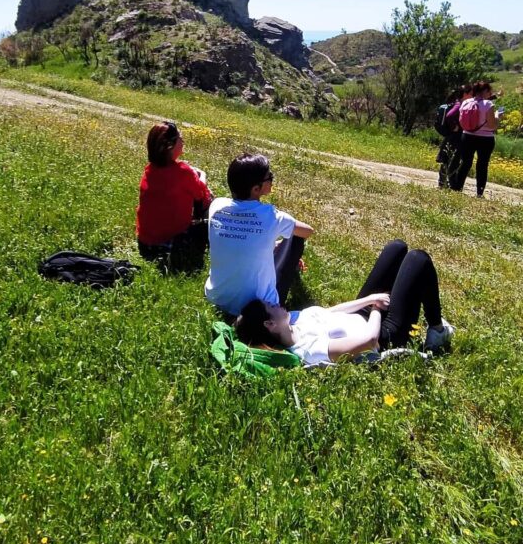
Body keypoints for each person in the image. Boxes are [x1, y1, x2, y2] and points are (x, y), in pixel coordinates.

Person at [234, 240, 454, 366]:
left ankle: (397, 296)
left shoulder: (292, 320)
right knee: (418, 259)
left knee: (396, 248)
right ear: (269, 324)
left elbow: (329, 312)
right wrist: (377, 310)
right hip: (385, 334)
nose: (277, 304)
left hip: (364, 312)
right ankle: (436, 331)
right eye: (271, 307)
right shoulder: (309, 349)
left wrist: (369, 299)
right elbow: (369, 341)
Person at [205, 153, 314, 316]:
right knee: (295, 236)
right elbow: (308, 231)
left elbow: (239, 238)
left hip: (217, 297)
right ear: (256, 189)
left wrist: (271, 245)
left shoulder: (217, 206)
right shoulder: (271, 216)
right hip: (260, 308)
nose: (272, 178)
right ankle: (291, 269)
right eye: (269, 176)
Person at [136, 121, 213, 268]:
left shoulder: (149, 170)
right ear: (169, 146)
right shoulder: (184, 172)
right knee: (210, 201)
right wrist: (202, 175)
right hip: (169, 245)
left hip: (145, 244)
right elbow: (202, 196)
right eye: (180, 138)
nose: (183, 141)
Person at [450, 81, 501, 198]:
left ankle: (457, 188)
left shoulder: (466, 102)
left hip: (467, 136)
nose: (490, 94)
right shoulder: (488, 104)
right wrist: (498, 116)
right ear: (485, 91)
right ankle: (479, 192)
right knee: (482, 165)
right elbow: (492, 125)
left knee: (465, 163)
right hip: (485, 139)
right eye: (489, 91)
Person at [436, 84, 472, 189]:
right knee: (450, 160)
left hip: (452, 136)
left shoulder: (458, 102)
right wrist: (454, 127)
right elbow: (450, 115)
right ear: (465, 94)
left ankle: (443, 183)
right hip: (455, 136)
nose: (472, 96)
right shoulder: (459, 104)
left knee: (448, 159)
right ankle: (445, 184)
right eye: (471, 94)